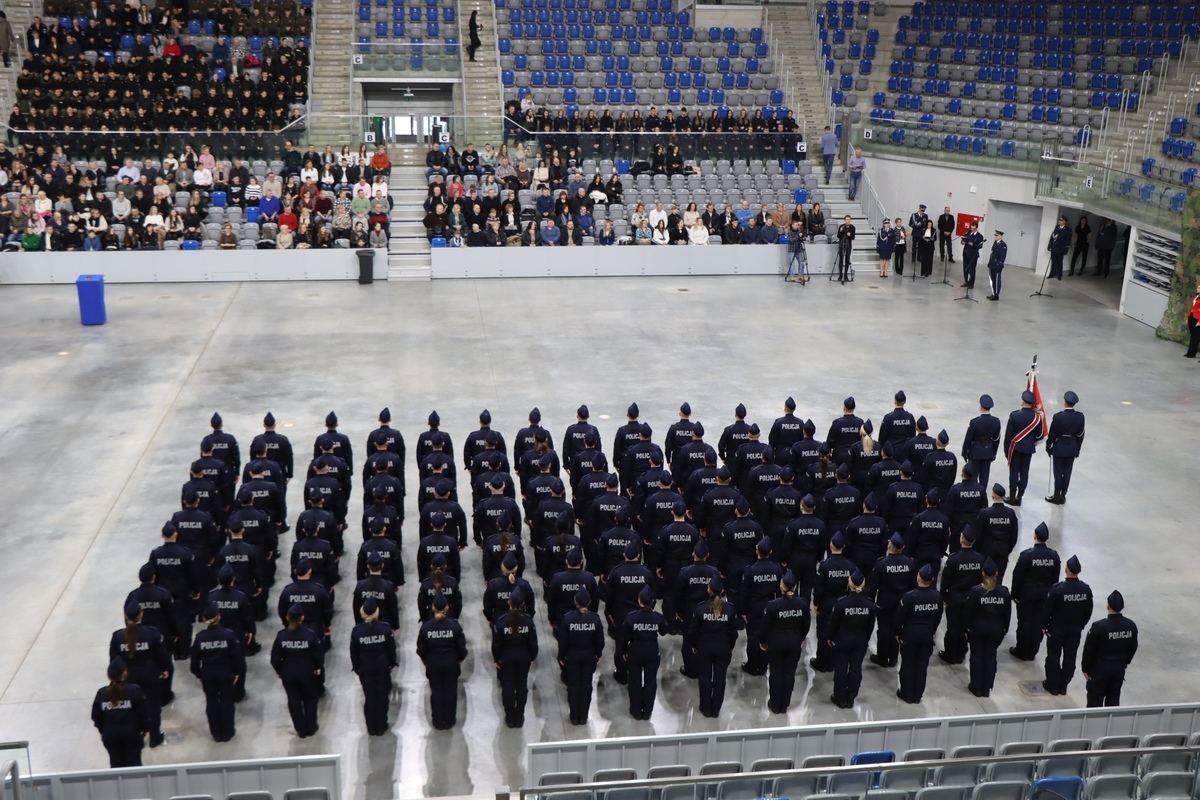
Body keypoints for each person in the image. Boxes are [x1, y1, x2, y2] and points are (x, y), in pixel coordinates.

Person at [109, 602, 169, 749]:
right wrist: (164, 669)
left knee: (132, 707)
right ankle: (154, 737)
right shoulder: (152, 633)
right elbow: (161, 655)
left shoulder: (117, 637)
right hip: (150, 675)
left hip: (127, 677)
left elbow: (113, 661)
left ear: (126, 616)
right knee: (153, 707)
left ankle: (137, 736)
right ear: (141, 615)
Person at [190, 602, 244, 742]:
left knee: (212, 702)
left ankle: (216, 733)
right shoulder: (229, 635)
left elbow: (194, 661)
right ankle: (227, 732)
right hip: (225, 672)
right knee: (227, 701)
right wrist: (237, 672)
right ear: (219, 617)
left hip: (208, 673)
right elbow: (237, 656)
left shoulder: (200, 637)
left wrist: (199, 674)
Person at [686, 577, 740, 718]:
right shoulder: (729, 609)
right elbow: (734, 631)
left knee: (704, 677)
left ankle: (705, 708)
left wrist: (693, 645)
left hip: (704, 647)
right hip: (723, 647)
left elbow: (693, 631)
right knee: (720, 678)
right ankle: (715, 709)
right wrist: (731, 646)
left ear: (708, 590)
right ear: (722, 591)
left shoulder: (701, 608)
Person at [1042, 555, 1093, 696]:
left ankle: (1052, 685)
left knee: (1053, 656)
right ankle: (1063, 685)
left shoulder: (1058, 589)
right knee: (1070, 658)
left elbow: (1048, 610)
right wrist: (1080, 625)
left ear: (1066, 570)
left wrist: (1044, 625)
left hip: (1057, 629)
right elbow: (1088, 611)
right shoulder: (1085, 590)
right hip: (1074, 629)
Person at [759, 570, 809, 713]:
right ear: (795, 587)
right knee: (789, 673)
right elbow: (806, 624)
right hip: (794, 641)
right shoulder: (802, 604)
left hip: (776, 641)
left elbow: (765, 626)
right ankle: (784, 704)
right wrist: (801, 638)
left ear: (781, 587)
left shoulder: (773, 605)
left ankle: (775, 704)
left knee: (775, 672)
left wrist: (762, 641)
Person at [1009, 522, 1059, 662]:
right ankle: (1032, 652)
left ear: (1034, 536)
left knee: (1024, 622)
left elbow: (1017, 576)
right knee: (1038, 622)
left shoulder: (1026, 555)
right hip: (1045, 594)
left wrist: (1014, 594)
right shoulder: (1053, 556)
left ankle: (1022, 650)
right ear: (1047, 538)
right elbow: (1055, 579)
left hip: (1027, 593)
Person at [271, 604, 324, 738]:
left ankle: (300, 729)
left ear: (287, 617)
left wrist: (280, 671)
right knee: (310, 699)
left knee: (294, 701)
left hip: (289, 673)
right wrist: (318, 668)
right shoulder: (310, 635)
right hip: (307, 672)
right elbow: (318, 655)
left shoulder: (281, 636)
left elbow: (275, 658)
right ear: (302, 618)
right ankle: (311, 727)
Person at [893, 564, 944, 704]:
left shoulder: (910, 597)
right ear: (932, 579)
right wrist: (932, 631)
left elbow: (900, 617)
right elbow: (938, 616)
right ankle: (917, 694)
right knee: (922, 665)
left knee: (908, 664)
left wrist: (898, 632)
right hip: (927, 634)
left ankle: (906, 693)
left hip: (910, 634)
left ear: (918, 578)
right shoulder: (937, 596)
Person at [827, 569, 877, 708]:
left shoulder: (841, 603)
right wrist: (865, 639)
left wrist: (830, 638)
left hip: (842, 640)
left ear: (849, 584)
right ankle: (851, 698)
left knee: (841, 669)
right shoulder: (869, 604)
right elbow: (870, 625)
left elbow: (833, 623)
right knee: (856, 669)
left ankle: (839, 697)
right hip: (860, 640)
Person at [417, 593, 467, 729]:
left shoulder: (426, 627)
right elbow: (462, 647)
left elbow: (421, 648)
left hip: (433, 664)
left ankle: (438, 721)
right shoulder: (455, 626)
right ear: (447, 608)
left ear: (432, 608)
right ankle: (450, 720)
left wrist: (425, 659)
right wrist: (460, 658)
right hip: (451, 663)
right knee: (450, 691)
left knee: (437, 692)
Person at [963, 558, 1011, 698]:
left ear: (982, 573)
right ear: (996, 573)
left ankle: (976, 687)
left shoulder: (976, 591)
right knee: (991, 657)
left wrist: (966, 629)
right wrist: (1004, 629)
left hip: (978, 628)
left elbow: (968, 612)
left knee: (977, 656)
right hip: (996, 628)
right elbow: (1007, 613)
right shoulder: (1004, 592)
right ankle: (987, 688)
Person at [491, 584, 538, 727]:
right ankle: (520, 716)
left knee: (508, 687)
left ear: (508, 602)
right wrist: (531, 657)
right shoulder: (529, 621)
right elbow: (533, 644)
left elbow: (496, 644)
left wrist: (497, 659)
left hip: (506, 658)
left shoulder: (501, 621)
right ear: (523, 603)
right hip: (524, 658)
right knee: (522, 686)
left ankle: (510, 717)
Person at [556, 588, 605, 725]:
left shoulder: (567, 619)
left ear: (575, 602)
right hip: (589, 655)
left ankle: (574, 716)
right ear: (589, 602)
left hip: (572, 656)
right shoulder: (595, 619)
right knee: (586, 686)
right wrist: (598, 654)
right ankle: (583, 716)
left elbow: (563, 640)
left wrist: (561, 656)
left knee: (573, 686)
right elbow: (600, 640)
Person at [1082, 591, 1138, 707]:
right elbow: (1133, 647)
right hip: (1118, 668)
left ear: (1107, 606)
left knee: (1095, 701)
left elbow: (1089, 650)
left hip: (1099, 669)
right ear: (1123, 607)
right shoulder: (1130, 626)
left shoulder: (1099, 627)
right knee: (1113, 700)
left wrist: (1085, 668)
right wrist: (1124, 663)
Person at [868, 533, 916, 668]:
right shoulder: (909, 563)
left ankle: (882, 657)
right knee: (898, 628)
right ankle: (893, 657)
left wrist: (871, 601)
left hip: (885, 599)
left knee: (883, 628)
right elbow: (913, 585)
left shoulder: (882, 563)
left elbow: (873, 586)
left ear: (890, 546)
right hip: (903, 599)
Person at [619, 586, 668, 719]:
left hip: (635, 650)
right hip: (651, 651)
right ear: (653, 602)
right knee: (650, 681)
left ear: (639, 601)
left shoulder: (631, 617)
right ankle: (647, 711)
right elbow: (664, 632)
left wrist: (624, 652)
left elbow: (624, 638)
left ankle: (636, 711)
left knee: (634, 681)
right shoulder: (657, 617)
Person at [91, 658, 150, 768]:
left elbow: (96, 716)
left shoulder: (102, 693)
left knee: (116, 766)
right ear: (125, 673)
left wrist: (104, 730)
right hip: (132, 734)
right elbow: (143, 713)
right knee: (134, 765)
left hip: (111, 735)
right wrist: (146, 729)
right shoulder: (134, 691)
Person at [938, 528, 984, 665]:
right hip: (972, 597)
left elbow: (945, 581)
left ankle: (950, 654)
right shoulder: (980, 559)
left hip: (955, 597)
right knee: (966, 626)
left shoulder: (954, 559)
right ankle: (961, 653)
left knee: (953, 627)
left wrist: (943, 597)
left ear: (961, 539)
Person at [1003, 390, 1045, 505]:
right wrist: (1030, 442)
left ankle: (1012, 497)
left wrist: (1007, 450)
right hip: (1028, 449)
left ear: (1022, 402)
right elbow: (1039, 435)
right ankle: (1020, 496)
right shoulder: (1037, 417)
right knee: (1024, 472)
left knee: (1014, 471)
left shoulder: (1014, 415)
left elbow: (1008, 436)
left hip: (1015, 448)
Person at [1045, 391, 1085, 504]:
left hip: (1059, 447)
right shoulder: (1080, 417)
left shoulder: (1058, 417)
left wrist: (1049, 445)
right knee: (1067, 472)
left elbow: (1052, 433)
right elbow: (1081, 435)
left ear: (1065, 402)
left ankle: (1056, 495)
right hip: (1072, 447)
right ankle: (1063, 495)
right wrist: (1078, 448)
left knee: (1058, 472)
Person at [962, 394, 1000, 488]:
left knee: (973, 476)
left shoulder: (975, 422)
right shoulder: (996, 421)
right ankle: (982, 494)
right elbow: (996, 439)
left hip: (975, 452)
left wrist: (965, 451)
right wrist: (993, 452)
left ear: (981, 406)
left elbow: (968, 438)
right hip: (988, 452)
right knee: (984, 477)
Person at [960, 222, 983, 288]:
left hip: (973, 255)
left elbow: (980, 246)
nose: (972, 229)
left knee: (972, 269)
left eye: (973, 228)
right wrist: (962, 242)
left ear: (976, 228)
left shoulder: (980, 236)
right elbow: (963, 239)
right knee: (965, 268)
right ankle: (966, 281)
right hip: (966, 253)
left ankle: (971, 283)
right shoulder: (968, 233)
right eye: (971, 228)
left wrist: (973, 244)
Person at [1047, 215, 1071, 280]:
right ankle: (1052, 274)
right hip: (1054, 247)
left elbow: (1068, 240)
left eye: (1061, 220)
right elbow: (1052, 236)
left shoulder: (1067, 230)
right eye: (1059, 220)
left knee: (1059, 262)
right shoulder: (1056, 227)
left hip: (1061, 248)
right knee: (1053, 261)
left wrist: (1066, 249)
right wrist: (1050, 245)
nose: (1059, 221)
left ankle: (1059, 275)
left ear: (1064, 222)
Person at [986, 230, 1007, 300]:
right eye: (995, 235)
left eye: (997, 235)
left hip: (997, 265)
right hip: (992, 263)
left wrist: (1000, 264)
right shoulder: (995, 243)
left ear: (1001, 236)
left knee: (997, 280)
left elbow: (1002, 256)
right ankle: (993, 292)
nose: (995, 237)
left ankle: (996, 294)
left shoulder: (1003, 245)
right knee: (992, 279)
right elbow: (992, 253)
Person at [836, 214, 855, 283]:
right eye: (846, 219)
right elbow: (838, 236)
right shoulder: (841, 226)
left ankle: (846, 275)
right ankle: (840, 275)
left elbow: (853, 237)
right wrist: (841, 231)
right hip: (841, 244)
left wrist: (849, 235)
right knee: (841, 260)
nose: (848, 221)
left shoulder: (852, 227)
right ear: (844, 220)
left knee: (847, 260)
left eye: (849, 219)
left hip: (848, 245)